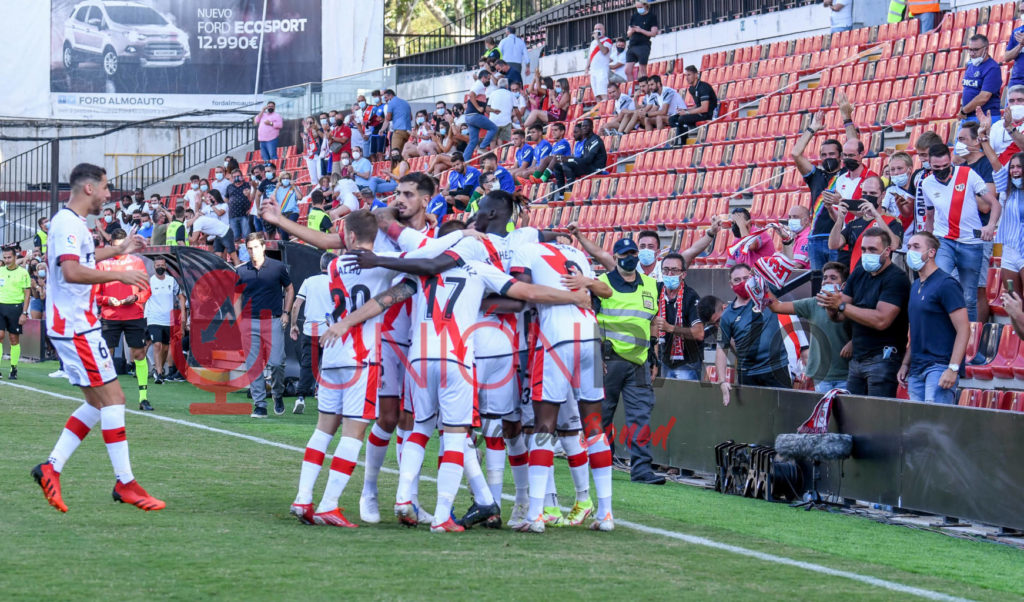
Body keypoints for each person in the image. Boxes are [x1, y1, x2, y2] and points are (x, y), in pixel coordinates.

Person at [32, 163, 164, 514]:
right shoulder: (67, 225)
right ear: (89, 188)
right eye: (106, 188)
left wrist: (120, 250)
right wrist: (124, 272)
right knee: (115, 400)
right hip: (76, 327)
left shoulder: (71, 224)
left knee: (97, 403)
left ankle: (52, 466)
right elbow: (72, 271)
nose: (108, 195)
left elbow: (83, 260)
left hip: (74, 326)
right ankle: (125, 483)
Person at [591, 236, 665, 487]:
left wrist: (654, 351)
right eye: (624, 255)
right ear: (616, 258)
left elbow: (653, 319)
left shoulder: (651, 285)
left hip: (639, 361)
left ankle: (642, 469)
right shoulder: (601, 283)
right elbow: (589, 318)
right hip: (606, 359)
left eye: (633, 253)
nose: (630, 258)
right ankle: (599, 461)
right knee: (601, 415)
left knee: (641, 416)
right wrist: (595, 353)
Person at [818, 227, 910, 398]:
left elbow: (881, 320)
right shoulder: (859, 272)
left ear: (887, 251)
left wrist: (841, 306)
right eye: (864, 249)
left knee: (877, 416)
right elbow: (839, 316)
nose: (867, 254)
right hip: (857, 360)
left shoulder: (896, 278)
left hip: (883, 359)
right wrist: (830, 305)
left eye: (873, 249)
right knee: (854, 416)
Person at [921, 143, 1000, 321]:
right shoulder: (926, 183)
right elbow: (930, 216)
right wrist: (927, 242)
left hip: (970, 242)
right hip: (944, 240)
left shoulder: (967, 174)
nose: (941, 170)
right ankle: (946, 331)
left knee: (969, 297)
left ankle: (969, 340)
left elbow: (994, 204)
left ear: (951, 161)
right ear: (930, 165)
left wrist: (990, 225)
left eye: (945, 166)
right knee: (941, 285)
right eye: (936, 167)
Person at [790, 94, 862, 272]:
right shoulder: (816, 175)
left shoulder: (847, 173)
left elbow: (854, 143)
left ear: (841, 156)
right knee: (817, 286)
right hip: (815, 238)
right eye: (824, 155)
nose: (827, 158)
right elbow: (796, 154)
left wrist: (846, 118)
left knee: (837, 281)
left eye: (832, 154)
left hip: (838, 236)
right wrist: (812, 128)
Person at [898, 233, 969, 405]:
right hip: (916, 368)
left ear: (931, 252)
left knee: (935, 426)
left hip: (939, 367)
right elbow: (917, 329)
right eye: (909, 247)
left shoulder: (947, 284)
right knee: (918, 425)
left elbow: (964, 329)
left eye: (916, 247)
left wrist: (953, 368)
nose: (910, 251)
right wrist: (906, 364)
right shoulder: (915, 286)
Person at [768, 262, 852, 392]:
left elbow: (866, 331)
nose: (827, 281)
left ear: (844, 285)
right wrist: (762, 285)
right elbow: (776, 306)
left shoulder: (852, 305)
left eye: (833, 278)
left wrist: (853, 342)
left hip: (846, 376)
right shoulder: (813, 303)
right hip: (820, 377)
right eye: (824, 278)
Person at [235, 233, 294, 418]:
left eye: (255, 247)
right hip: (249, 321)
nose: (252, 251)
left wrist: (286, 312)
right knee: (253, 365)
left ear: (263, 247)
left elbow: (290, 288)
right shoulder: (241, 271)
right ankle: (260, 404)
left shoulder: (277, 268)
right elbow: (236, 296)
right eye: (249, 248)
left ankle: (277, 393)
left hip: (273, 320)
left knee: (277, 363)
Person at [716, 264, 791, 406]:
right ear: (730, 284)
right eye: (737, 280)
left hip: (776, 368)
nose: (742, 282)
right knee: (753, 417)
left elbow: (786, 270)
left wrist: (787, 242)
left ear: (752, 278)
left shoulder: (765, 294)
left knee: (784, 413)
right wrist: (722, 381)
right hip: (748, 373)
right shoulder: (727, 315)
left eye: (746, 278)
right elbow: (721, 348)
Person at [94, 228, 153, 411]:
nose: (119, 249)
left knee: (139, 354)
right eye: (116, 246)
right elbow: (95, 295)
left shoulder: (137, 262)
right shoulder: (102, 264)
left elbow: (146, 290)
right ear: (111, 244)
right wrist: (107, 300)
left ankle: (143, 398)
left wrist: (135, 298)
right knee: (107, 355)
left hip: (133, 314)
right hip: (110, 316)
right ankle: (106, 397)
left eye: (122, 246)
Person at [288, 252, 334, 418]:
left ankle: (300, 397)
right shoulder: (336, 282)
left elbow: (296, 305)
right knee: (329, 365)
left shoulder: (309, 281)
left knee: (307, 365)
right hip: (330, 331)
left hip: (311, 330)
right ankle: (324, 397)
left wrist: (294, 325)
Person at [828, 176, 903, 268]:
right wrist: (840, 219)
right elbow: (833, 245)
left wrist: (877, 216)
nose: (868, 196)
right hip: (856, 275)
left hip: (880, 275)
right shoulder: (854, 223)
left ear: (883, 195)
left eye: (872, 193)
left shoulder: (893, 221)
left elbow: (894, 245)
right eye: (864, 193)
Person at [653, 253, 704, 380]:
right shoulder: (656, 290)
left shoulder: (691, 296)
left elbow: (699, 333)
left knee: (685, 398)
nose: (669, 274)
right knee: (667, 398)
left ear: (683, 274)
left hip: (688, 362)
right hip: (664, 359)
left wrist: (670, 328)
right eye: (665, 270)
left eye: (674, 270)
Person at [144, 257, 185, 385]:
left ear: (166, 266)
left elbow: (180, 296)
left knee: (166, 348)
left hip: (169, 319)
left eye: (162, 265)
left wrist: (183, 312)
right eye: (158, 265)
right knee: (157, 344)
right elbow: (142, 297)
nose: (160, 267)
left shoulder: (171, 281)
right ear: (154, 266)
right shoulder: (150, 281)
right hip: (154, 318)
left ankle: (158, 369)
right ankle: (160, 373)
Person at [0, 247, 31, 379]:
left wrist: (24, 312)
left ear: (15, 257)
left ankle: (13, 368)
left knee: (13, 339)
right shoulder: (0, 271)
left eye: (9, 257)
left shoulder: (23, 273)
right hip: (1, 306)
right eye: (4, 257)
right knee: (0, 336)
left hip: (15, 308)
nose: (6, 260)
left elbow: (27, 294)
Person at [551, 118, 606, 189]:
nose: (584, 128)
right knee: (557, 166)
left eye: (587, 126)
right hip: (587, 166)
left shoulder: (595, 140)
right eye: (583, 126)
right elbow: (583, 158)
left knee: (567, 165)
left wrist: (570, 159)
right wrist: (569, 159)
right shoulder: (587, 141)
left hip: (596, 168)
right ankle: (561, 195)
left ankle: (572, 191)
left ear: (592, 127)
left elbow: (588, 159)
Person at [958, 34, 1002, 123]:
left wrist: (964, 110)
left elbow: (984, 97)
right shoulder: (970, 65)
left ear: (986, 49)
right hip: (968, 116)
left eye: (976, 50)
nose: (972, 53)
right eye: (970, 49)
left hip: (986, 117)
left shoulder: (992, 68)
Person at [669, 66, 718, 145]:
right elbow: (697, 105)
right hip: (700, 112)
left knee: (682, 118)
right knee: (672, 119)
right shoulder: (692, 89)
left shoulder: (703, 87)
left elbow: (704, 108)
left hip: (708, 114)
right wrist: (685, 110)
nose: (687, 78)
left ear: (696, 75)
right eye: (686, 75)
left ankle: (682, 142)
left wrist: (687, 113)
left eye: (689, 75)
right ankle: (682, 136)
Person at [463, 71, 499, 160]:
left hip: (469, 117)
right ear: (484, 77)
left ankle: (464, 161)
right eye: (488, 79)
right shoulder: (479, 85)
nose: (489, 81)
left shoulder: (480, 87)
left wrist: (493, 111)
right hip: (474, 115)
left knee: (473, 141)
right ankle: (482, 147)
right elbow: (471, 95)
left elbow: (484, 107)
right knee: (494, 128)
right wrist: (478, 108)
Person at [625, 1, 659, 81]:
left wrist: (640, 30)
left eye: (640, 7)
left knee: (642, 70)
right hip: (632, 44)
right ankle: (631, 87)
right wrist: (632, 31)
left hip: (643, 44)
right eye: (637, 7)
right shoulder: (634, 16)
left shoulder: (651, 16)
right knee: (627, 70)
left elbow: (653, 33)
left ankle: (645, 86)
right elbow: (628, 33)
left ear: (645, 6)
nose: (638, 9)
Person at [382, 89, 413, 157]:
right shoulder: (406, 103)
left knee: (395, 153)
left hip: (398, 131)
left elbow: (388, 118)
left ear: (390, 96)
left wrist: (381, 130)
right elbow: (411, 118)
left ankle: (396, 167)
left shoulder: (391, 103)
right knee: (403, 153)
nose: (385, 100)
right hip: (408, 132)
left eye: (386, 97)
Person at [587, 24, 613, 102]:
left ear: (604, 30)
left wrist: (598, 40)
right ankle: (601, 112)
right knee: (597, 96)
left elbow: (604, 51)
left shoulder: (607, 40)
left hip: (602, 71)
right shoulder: (592, 43)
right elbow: (590, 56)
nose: (597, 30)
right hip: (593, 71)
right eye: (596, 29)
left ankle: (607, 111)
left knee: (603, 93)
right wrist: (586, 68)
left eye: (599, 28)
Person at [225, 168, 251, 241]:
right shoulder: (230, 187)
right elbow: (226, 198)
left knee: (246, 236)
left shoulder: (247, 185)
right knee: (235, 237)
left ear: (242, 176)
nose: (236, 178)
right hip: (233, 215)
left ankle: (246, 252)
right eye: (234, 176)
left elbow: (253, 198)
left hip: (245, 215)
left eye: (238, 176)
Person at [487, 77, 515, 145]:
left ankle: (492, 154)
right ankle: (501, 155)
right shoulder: (511, 94)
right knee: (501, 140)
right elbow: (516, 110)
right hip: (506, 121)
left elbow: (487, 108)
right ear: (507, 86)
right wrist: (520, 121)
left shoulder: (492, 93)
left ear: (498, 86)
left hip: (493, 121)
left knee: (492, 140)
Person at [255, 101, 283, 166]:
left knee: (272, 155)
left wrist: (270, 123)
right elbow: (256, 120)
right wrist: (262, 110)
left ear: (274, 107)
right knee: (264, 157)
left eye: (272, 106)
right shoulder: (263, 115)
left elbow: (280, 125)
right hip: (262, 139)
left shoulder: (277, 115)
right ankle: (267, 169)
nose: (270, 107)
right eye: (269, 106)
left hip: (271, 139)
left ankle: (276, 168)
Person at [301, 115, 322, 185]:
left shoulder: (319, 130)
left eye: (311, 122)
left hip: (318, 154)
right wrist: (305, 138)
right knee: (313, 177)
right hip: (310, 155)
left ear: (314, 122)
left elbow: (322, 138)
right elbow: (304, 147)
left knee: (320, 175)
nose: (309, 124)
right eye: (307, 122)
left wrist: (314, 129)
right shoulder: (305, 133)